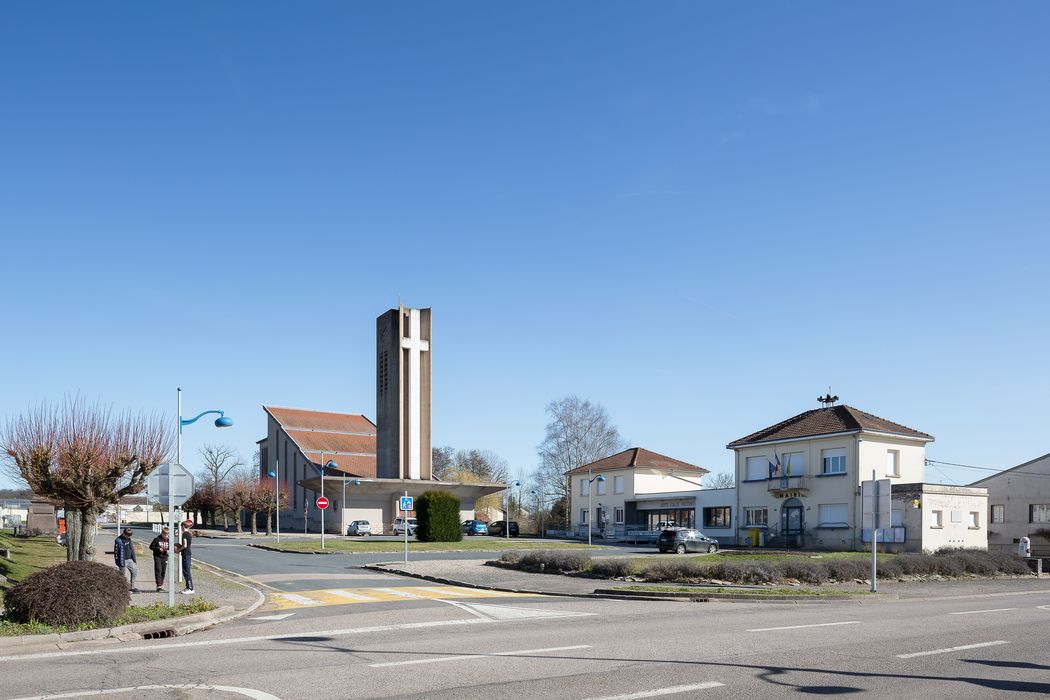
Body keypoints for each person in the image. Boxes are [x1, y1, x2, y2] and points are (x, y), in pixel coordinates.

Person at [113, 527, 139, 593]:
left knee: (134, 572)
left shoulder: (129, 539)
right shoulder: (118, 540)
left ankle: (132, 587)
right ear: (124, 533)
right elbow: (116, 552)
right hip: (122, 560)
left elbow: (132, 549)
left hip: (130, 559)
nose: (128, 536)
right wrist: (118, 561)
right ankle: (122, 589)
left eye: (129, 535)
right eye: (127, 535)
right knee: (122, 575)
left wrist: (134, 559)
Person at [175, 519, 195, 594]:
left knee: (186, 571)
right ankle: (188, 587)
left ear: (183, 526)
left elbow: (185, 545)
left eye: (181, 526)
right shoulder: (189, 534)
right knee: (186, 570)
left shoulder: (185, 534)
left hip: (186, 554)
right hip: (188, 554)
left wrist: (178, 550)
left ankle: (190, 588)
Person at [149, 527, 170, 592]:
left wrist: (169, 550)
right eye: (165, 535)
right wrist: (158, 549)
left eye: (167, 535)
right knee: (158, 570)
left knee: (163, 571)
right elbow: (151, 546)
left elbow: (171, 547)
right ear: (162, 533)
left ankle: (161, 584)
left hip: (165, 557)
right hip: (158, 557)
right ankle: (158, 586)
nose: (166, 536)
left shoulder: (169, 540)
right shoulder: (157, 539)